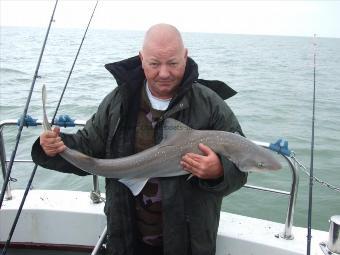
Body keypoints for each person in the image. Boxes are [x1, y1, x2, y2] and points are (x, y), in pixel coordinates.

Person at [31, 23, 247, 255]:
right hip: (127, 237)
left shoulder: (211, 105)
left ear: (185, 57)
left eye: (173, 63)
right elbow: (89, 149)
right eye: (154, 63)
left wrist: (219, 171)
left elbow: (243, 165)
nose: (164, 73)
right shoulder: (118, 102)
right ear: (141, 59)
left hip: (189, 242)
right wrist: (54, 147)